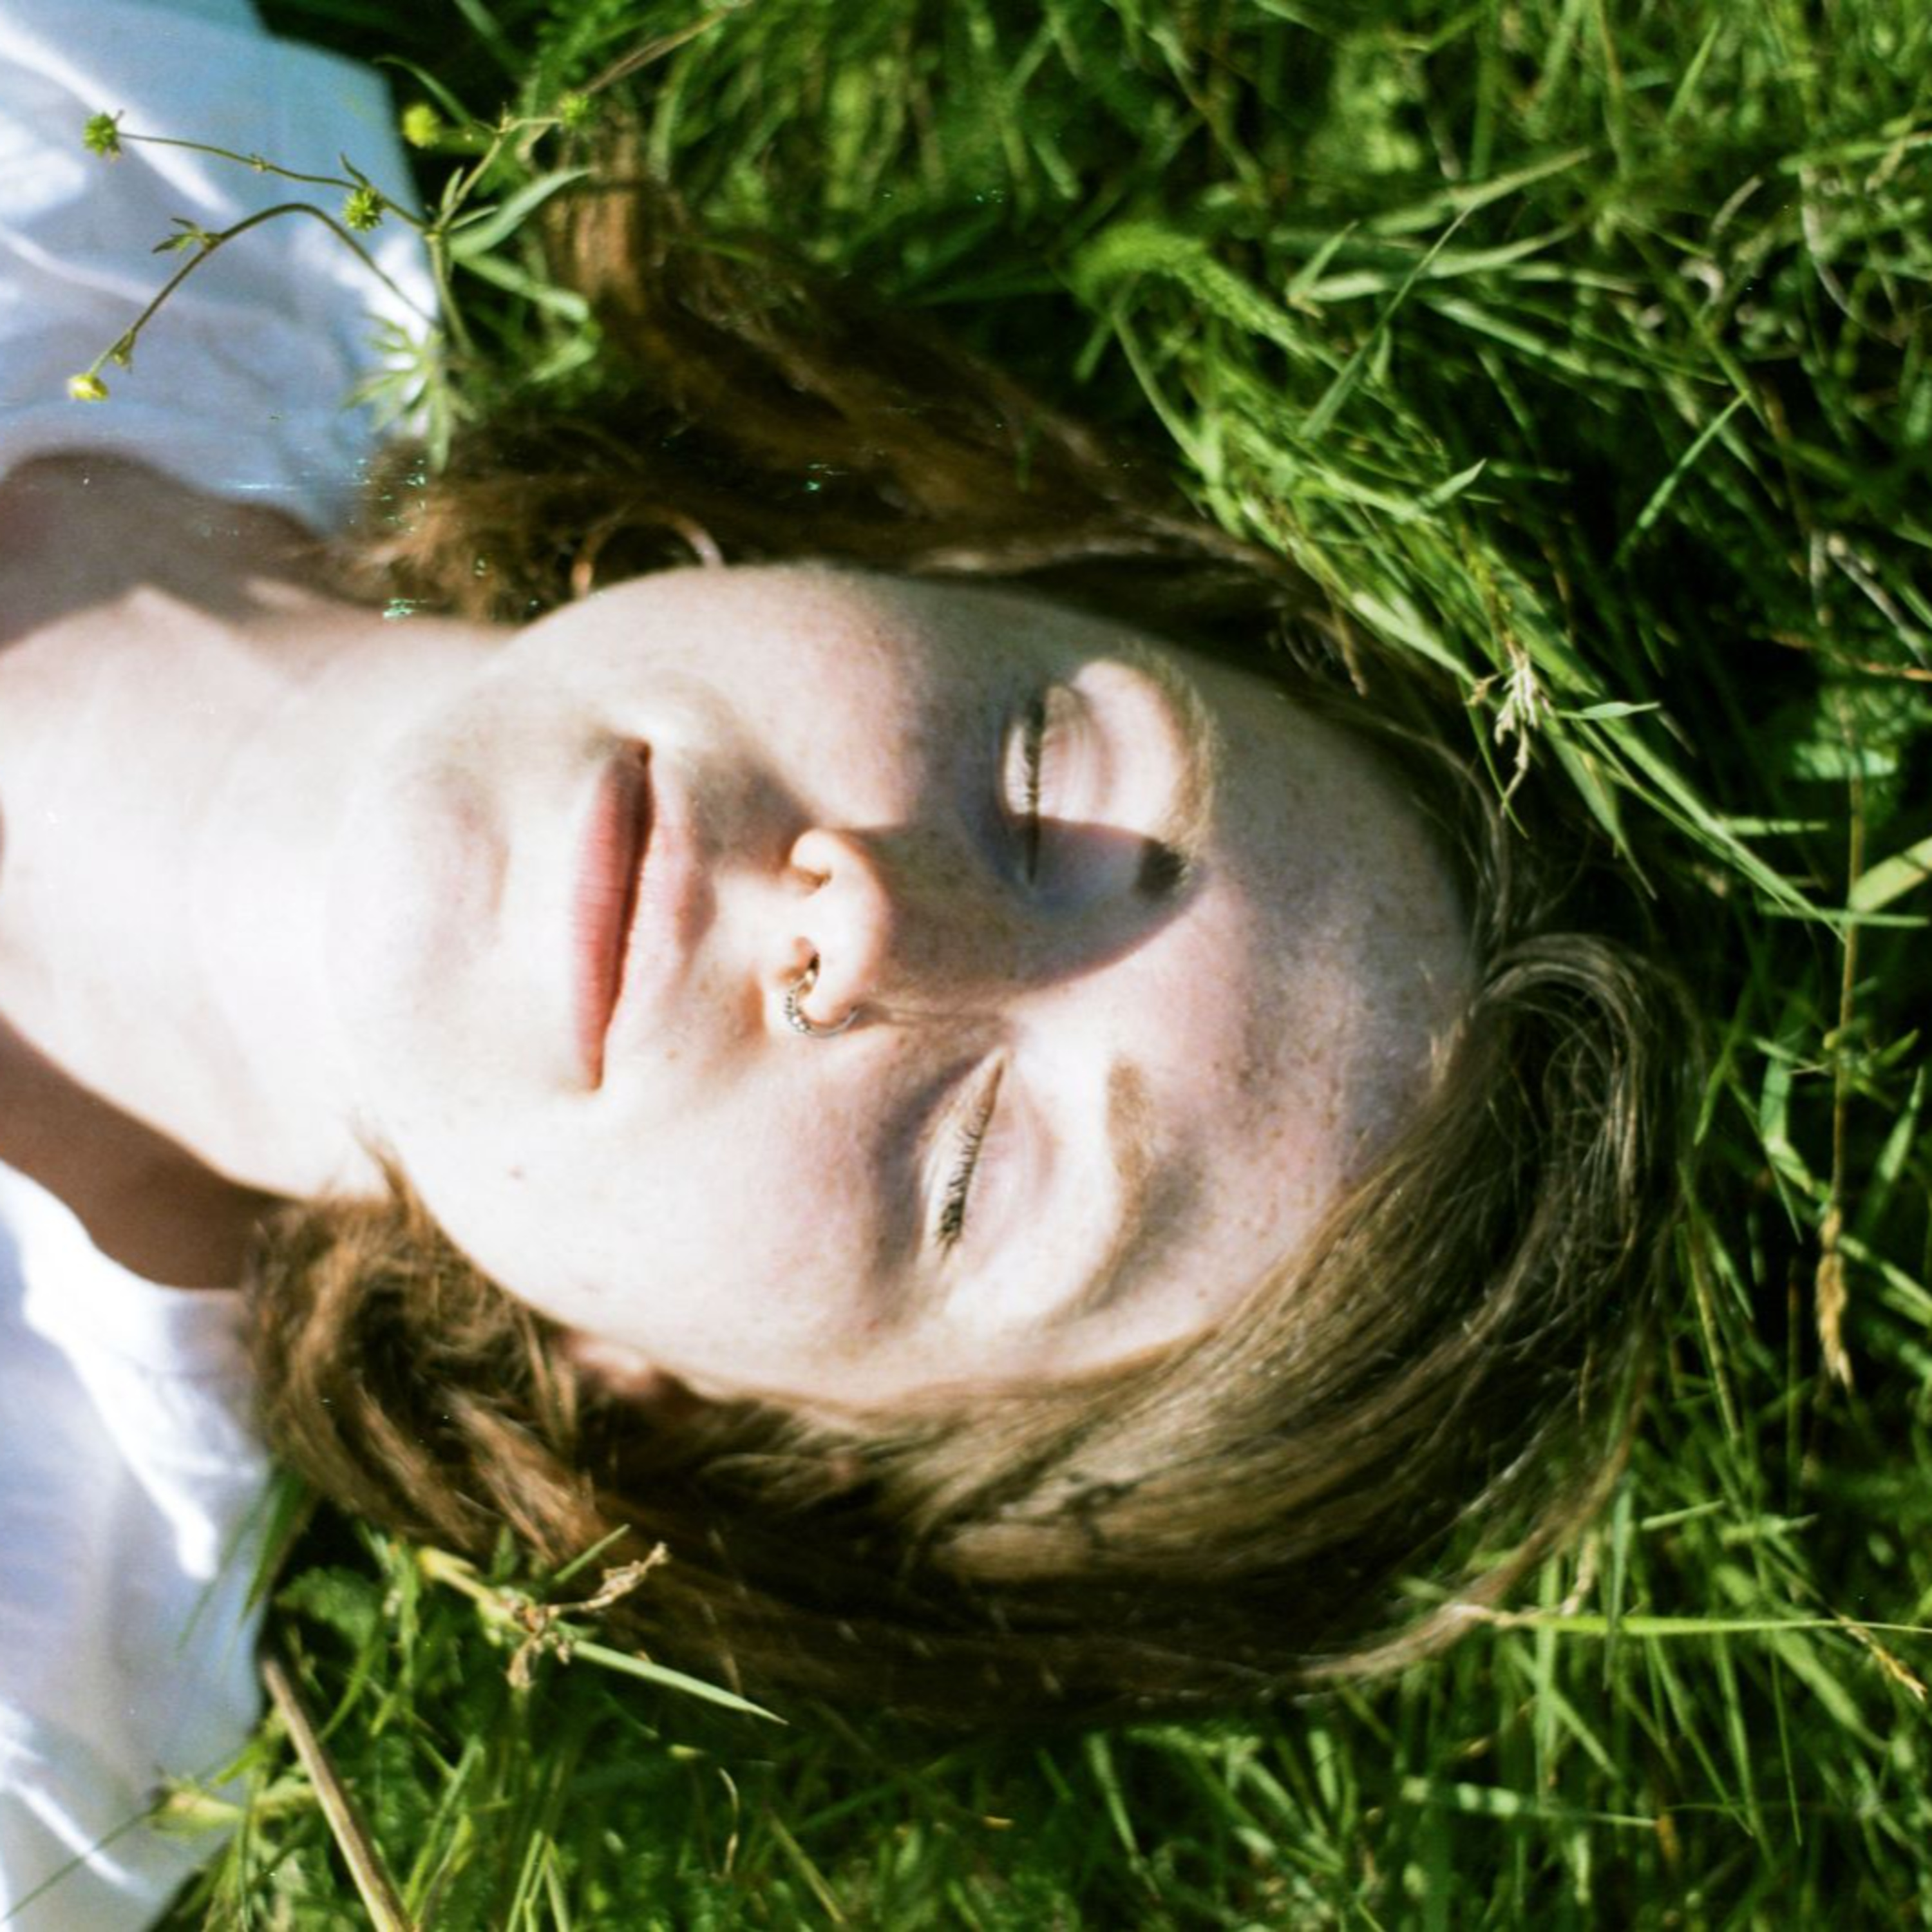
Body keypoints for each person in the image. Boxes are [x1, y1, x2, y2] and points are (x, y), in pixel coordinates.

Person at [0, 0, 1684, 1917]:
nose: (865, 917)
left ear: (709, 1413)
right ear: (917, 570)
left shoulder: (34, 1718)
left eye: (973, 1175)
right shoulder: (144, 128)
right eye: (1037, 790)